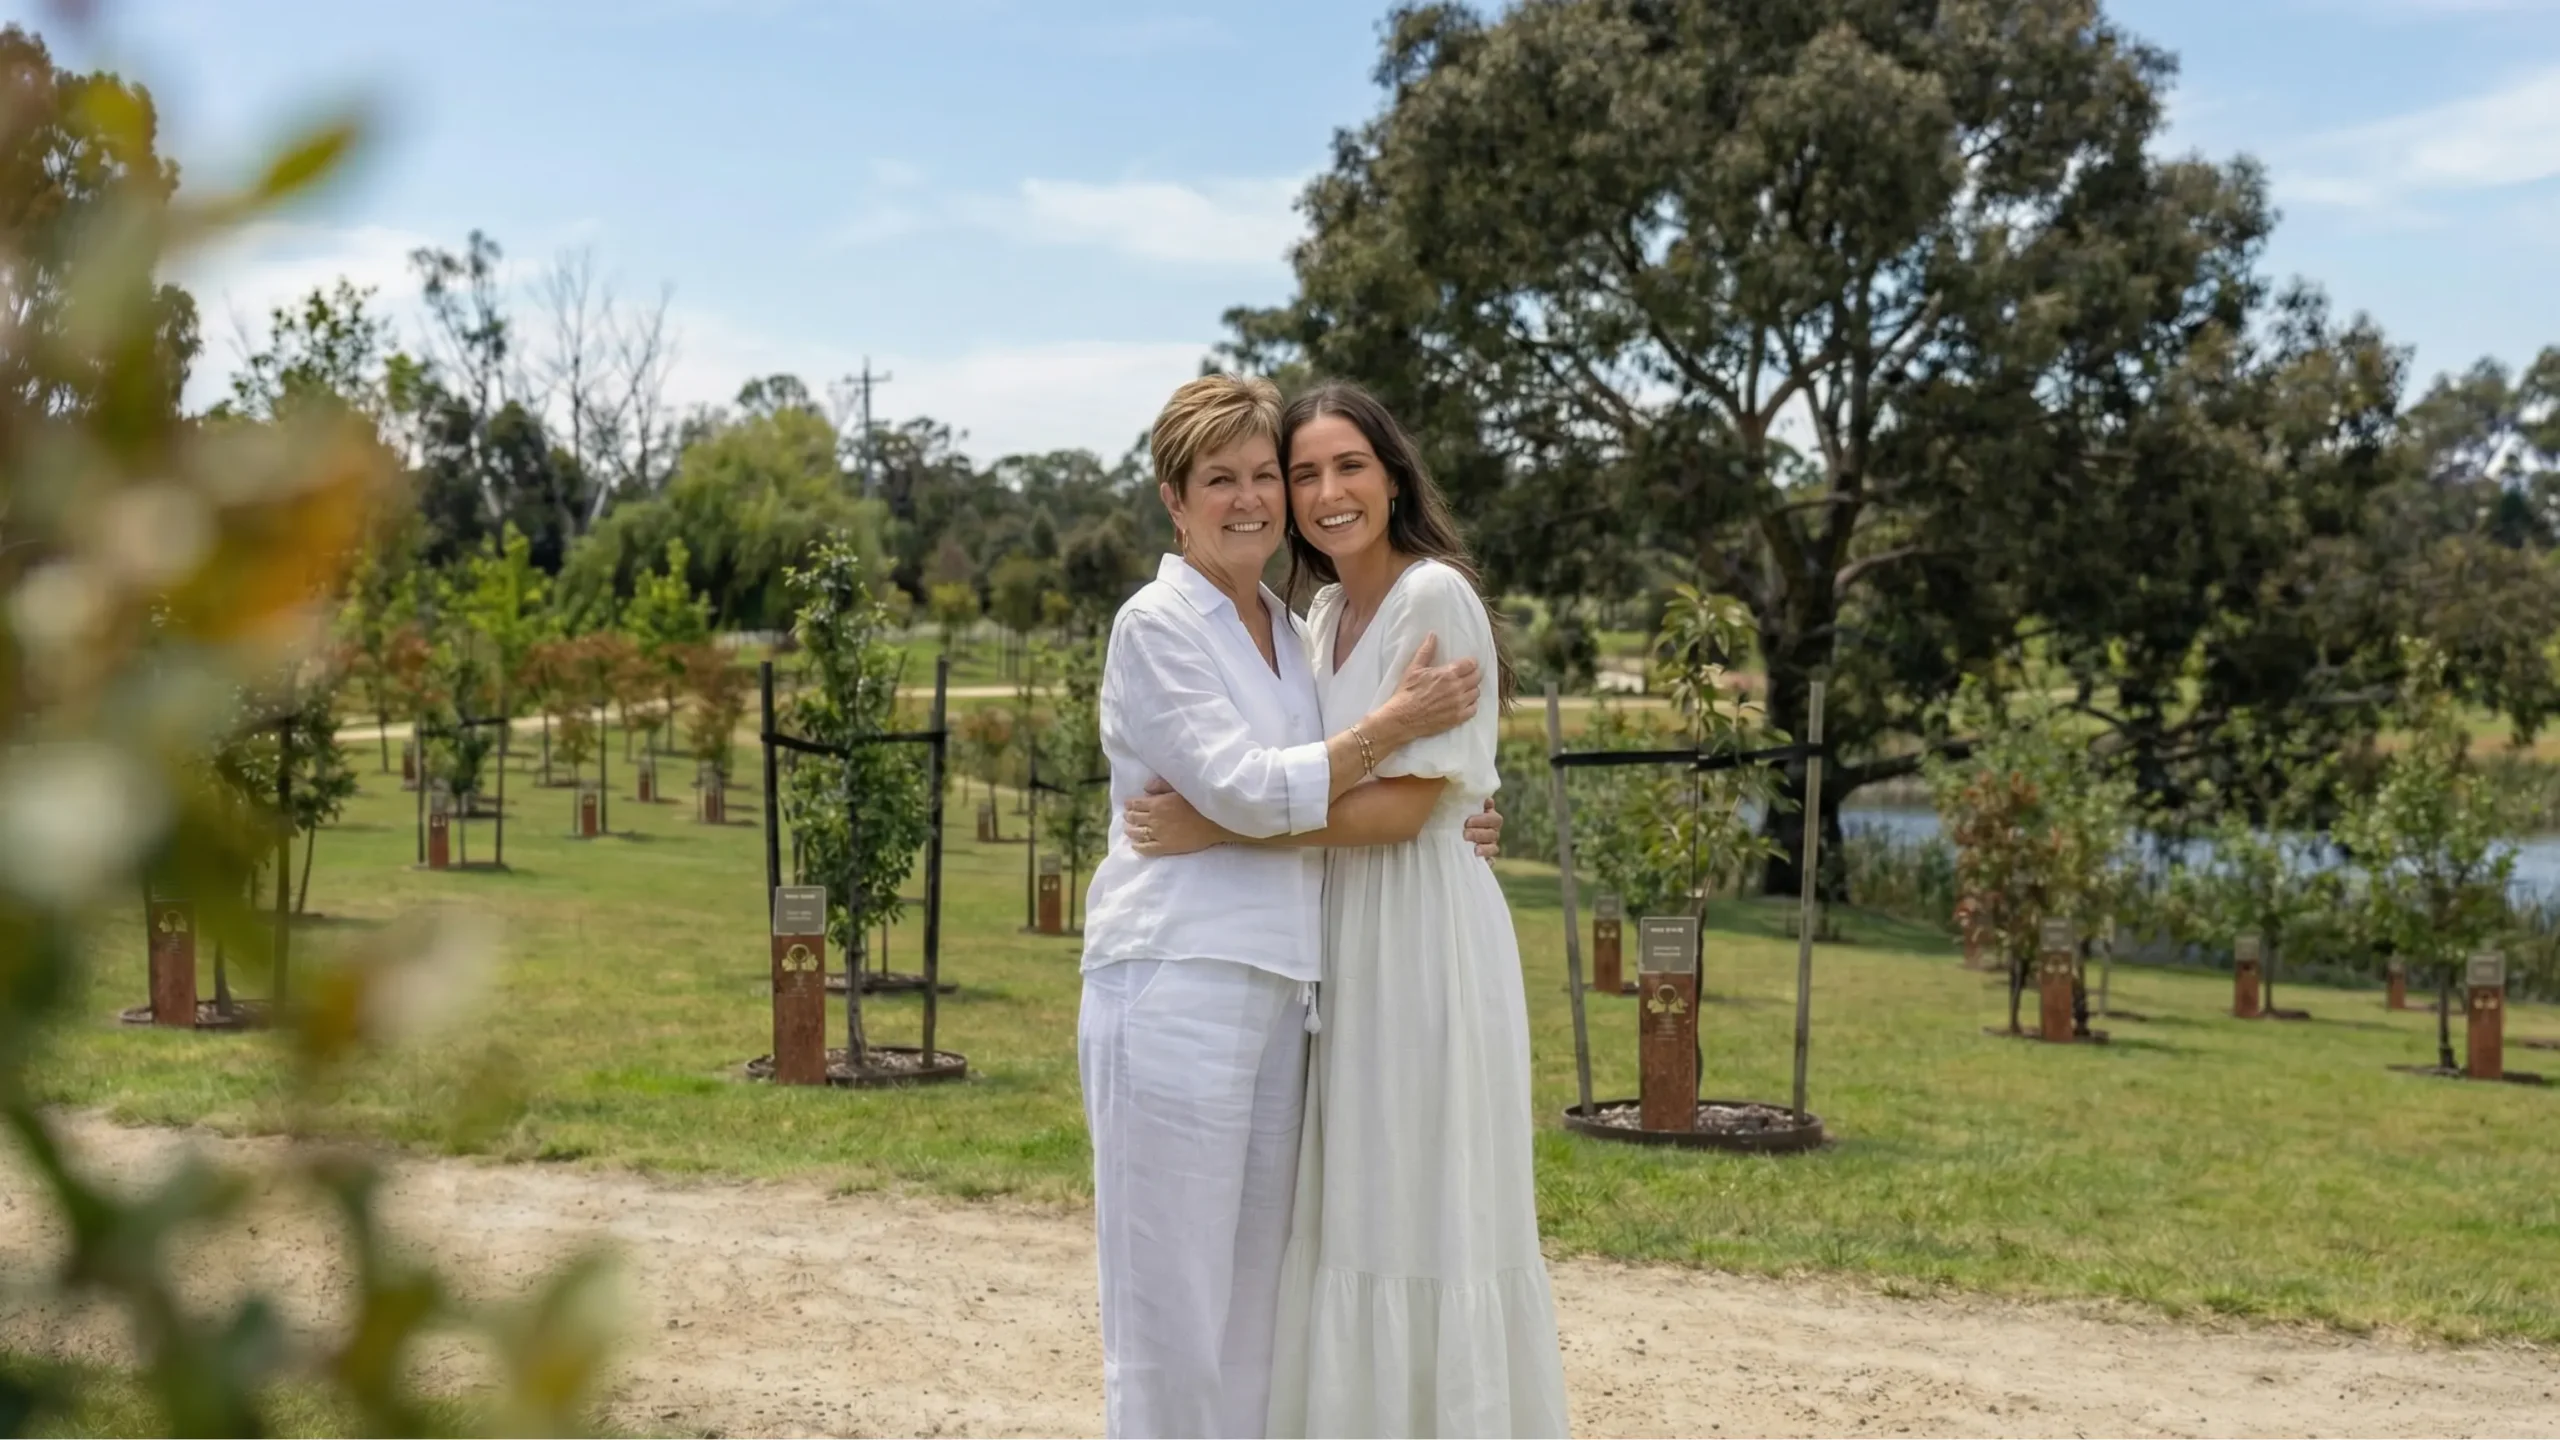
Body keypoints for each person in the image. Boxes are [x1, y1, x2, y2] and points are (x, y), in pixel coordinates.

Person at [1128, 380, 1571, 1437]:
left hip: (1421, 937)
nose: (1326, 493)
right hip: (1339, 940)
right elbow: (1340, 775)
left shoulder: (1432, 596)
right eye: (1304, 473)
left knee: (1425, 1204)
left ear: (1394, 477)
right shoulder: (1315, 617)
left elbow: (1406, 812)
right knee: (1354, 1208)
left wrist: (1216, 828)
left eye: (1349, 467)